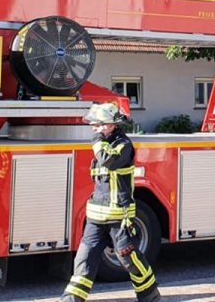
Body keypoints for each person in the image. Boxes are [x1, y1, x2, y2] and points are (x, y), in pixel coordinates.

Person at [61, 103, 161, 302]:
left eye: (98, 125)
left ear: (110, 125)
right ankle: (71, 299)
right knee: (84, 259)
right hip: (96, 218)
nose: (94, 129)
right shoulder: (104, 144)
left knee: (128, 258)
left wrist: (97, 140)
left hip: (118, 217)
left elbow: (108, 159)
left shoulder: (123, 145)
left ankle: (150, 296)